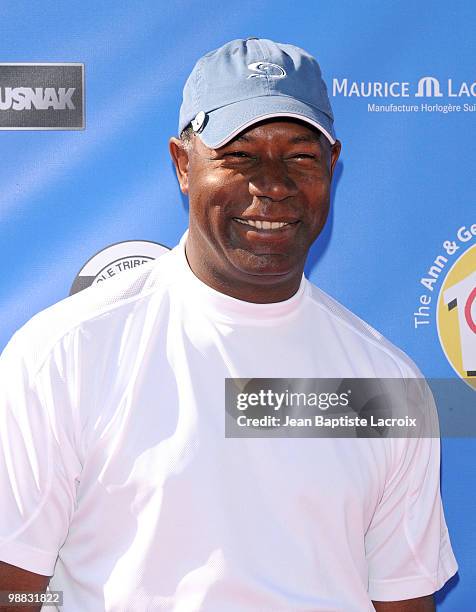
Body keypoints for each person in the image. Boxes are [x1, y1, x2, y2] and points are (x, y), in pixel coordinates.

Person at [0, 38, 457, 611]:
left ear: (331, 166)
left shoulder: (389, 383)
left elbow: (403, 599)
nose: (271, 185)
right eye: (239, 156)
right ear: (183, 164)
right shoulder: (65, 353)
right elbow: (12, 584)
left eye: (299, 157)